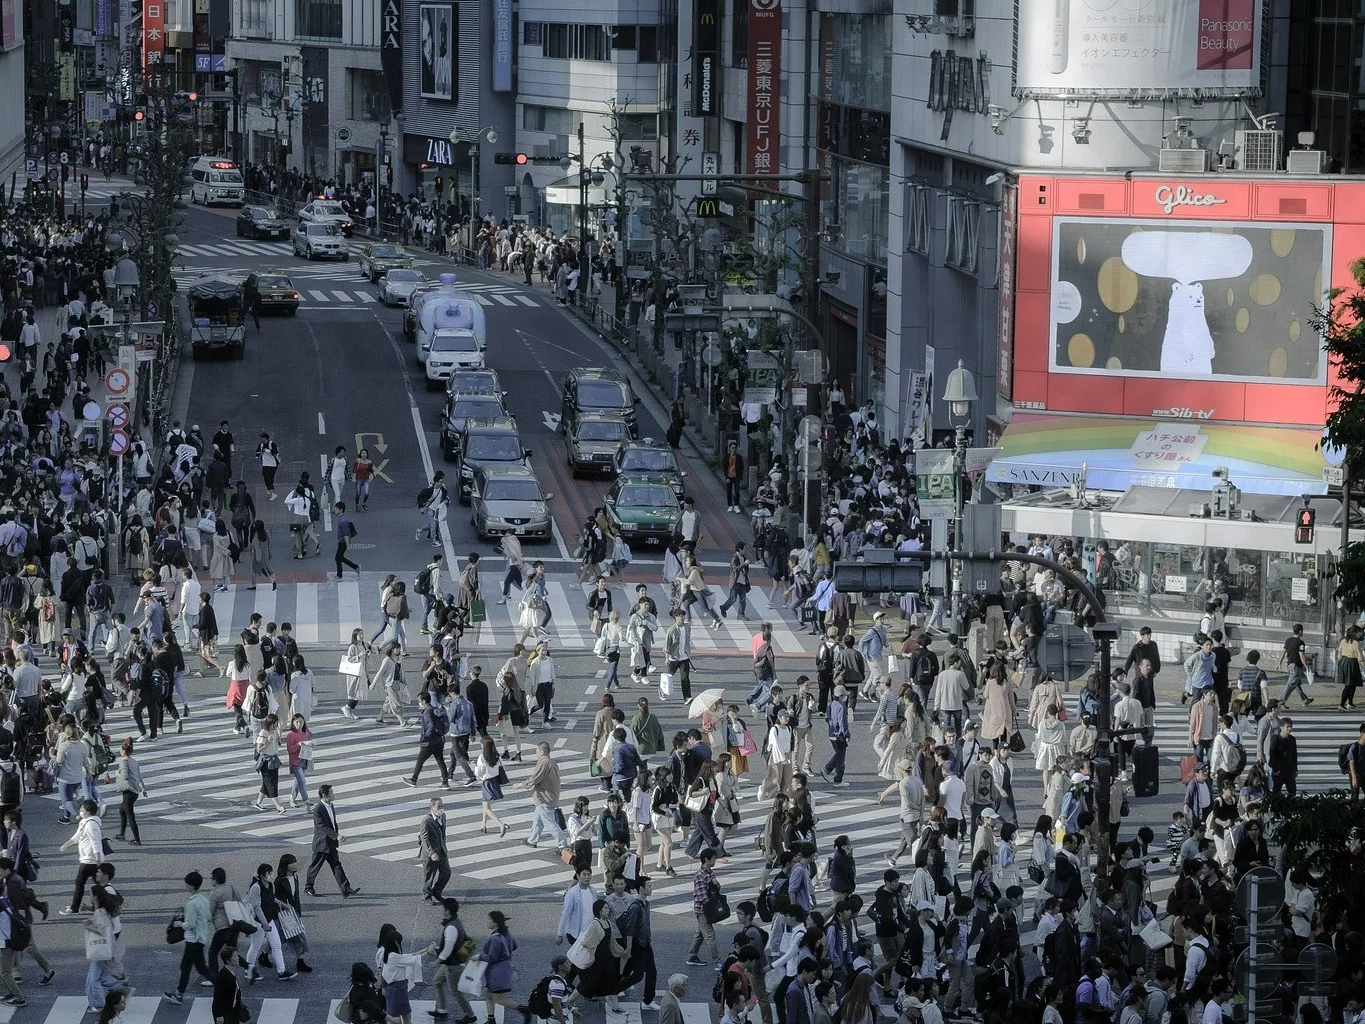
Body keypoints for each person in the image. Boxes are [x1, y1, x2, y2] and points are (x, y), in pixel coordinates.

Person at [470, 911, 531, 1024]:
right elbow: (514, 945)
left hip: (497, 974)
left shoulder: (495, 939)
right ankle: (491, 1019)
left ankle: (523, 1009)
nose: (487, 922)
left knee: (498, 998)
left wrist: (478, 956)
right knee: (488, 994)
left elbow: (492, 957)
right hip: (502, 971)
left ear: (495, 923)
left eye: (489, 919)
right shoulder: (505, 934)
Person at [164, 870, 214, 1004]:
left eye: (186, 883)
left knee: (198, 968)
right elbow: (209, 918)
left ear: (191, 885)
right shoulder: (203, 899)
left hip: (193, 939)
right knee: (188, 966)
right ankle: (178, 993)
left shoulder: (192, 903)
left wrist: (179, 923)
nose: (185, 884)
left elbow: (190, 924)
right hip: (201, 937)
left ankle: (179, 994)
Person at [427, 897, 478, 1023]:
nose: (442, 910)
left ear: (448, 910)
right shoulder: (456, 921)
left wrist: (437, 961)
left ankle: (470, 1015)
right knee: (437, 982)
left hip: (453, 965)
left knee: (456, 992)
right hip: (450, 963)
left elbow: (448, 949)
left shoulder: (451, 927)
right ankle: (442, 1011)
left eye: (443, 908)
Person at [304, 784, 360, 898]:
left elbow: (333, 823)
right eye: (331, 792)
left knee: (337, 866)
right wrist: (337, 835)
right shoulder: (318, 809)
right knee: (315, 866)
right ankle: (308, 887)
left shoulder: (331, 805)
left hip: (330, 843)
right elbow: (322, 826)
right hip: (321, 843)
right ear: (324, 795)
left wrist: (336, 836)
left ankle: (346, 889)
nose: (333, 794)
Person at [57, 798, 103, 916]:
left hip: (90, 860)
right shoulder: (84, 822)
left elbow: (96, 842)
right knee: (100, 883)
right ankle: (112, 901)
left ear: (87, 811)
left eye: (82, 809)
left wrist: (98, 861)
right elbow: (77, 836)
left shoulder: (91, 825)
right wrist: (66, 845)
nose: (80, 811)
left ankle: (74, 908)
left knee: (79, 883)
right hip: (88, 858)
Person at [113, 738, 146, 845]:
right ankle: (121, 834)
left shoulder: (123, 762)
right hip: (135, 791)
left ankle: (137, 840)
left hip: (128, 791)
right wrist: (144, 789)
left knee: (130, 816)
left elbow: (125, 776)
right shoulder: (134, 761)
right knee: (122, 810)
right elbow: (139, 776)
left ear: (123, 750)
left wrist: (117, 773)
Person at [419, 797, 451, 904]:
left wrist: (444, 847)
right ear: (431, 807)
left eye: (442, 806)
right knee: (429, 876)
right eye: (439, 807)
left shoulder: (443, 816)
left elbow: (443, 833)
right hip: (430, 853)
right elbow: (424, 838)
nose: (441, 809)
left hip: (441, 851)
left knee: (446, 872)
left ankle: (437, 891)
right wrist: (431, 853)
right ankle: (426, 896)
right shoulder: (426, 820)